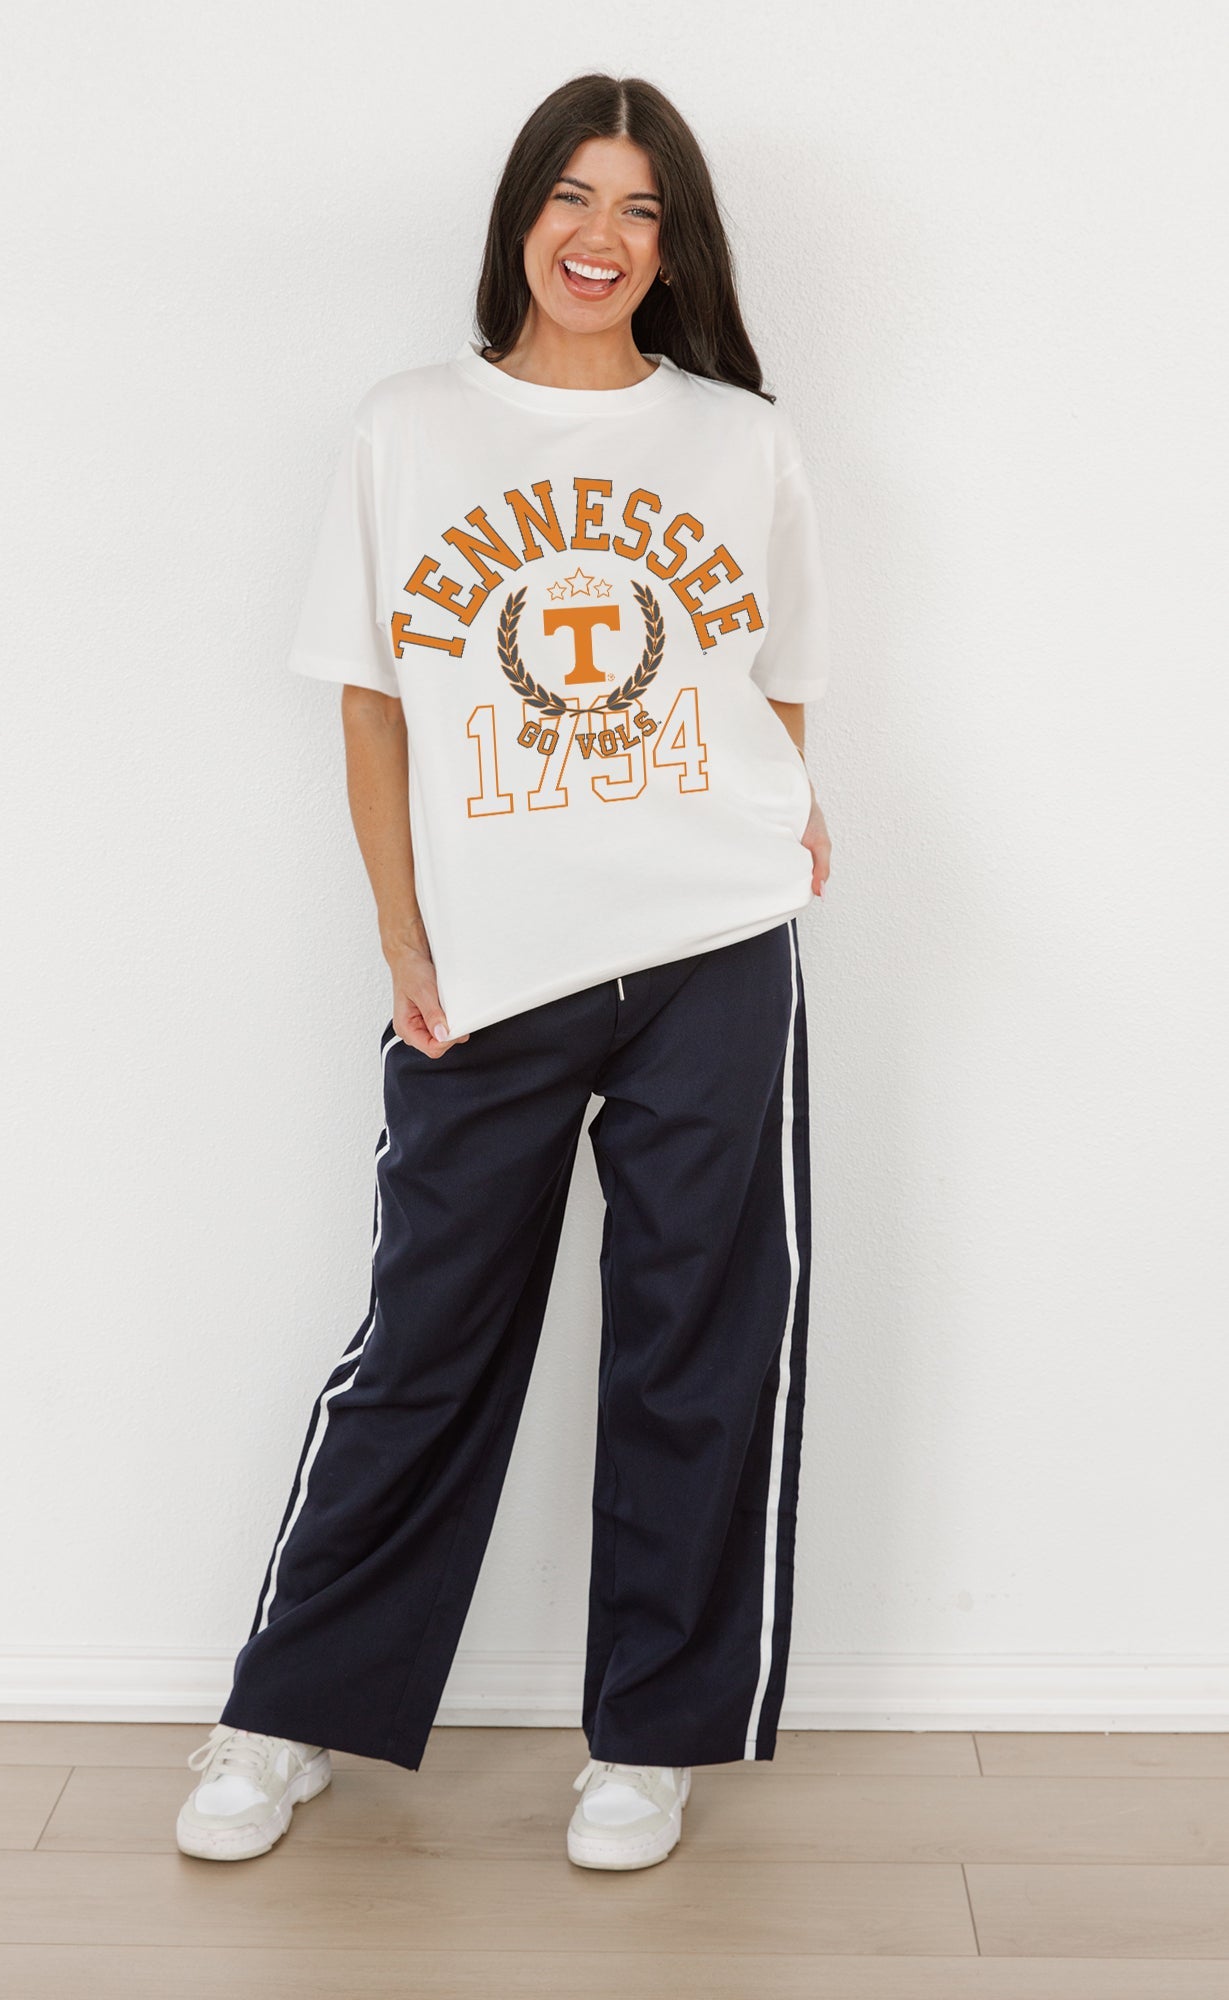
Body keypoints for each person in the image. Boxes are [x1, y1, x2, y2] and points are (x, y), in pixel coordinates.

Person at [176, 69, 832, 1872]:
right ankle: (285, 1712)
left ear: (674, 245)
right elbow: (372, 705)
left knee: (699, 1340)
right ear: (520, 218)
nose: (599, 237)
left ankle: (651, 1740)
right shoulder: (410, 426)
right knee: (425, 1338)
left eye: (638, 208)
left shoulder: (736, 438)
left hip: (711, 944)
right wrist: (403, 930)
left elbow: (775, 672)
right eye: (570, 195)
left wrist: (785, 813)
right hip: (486, 959)